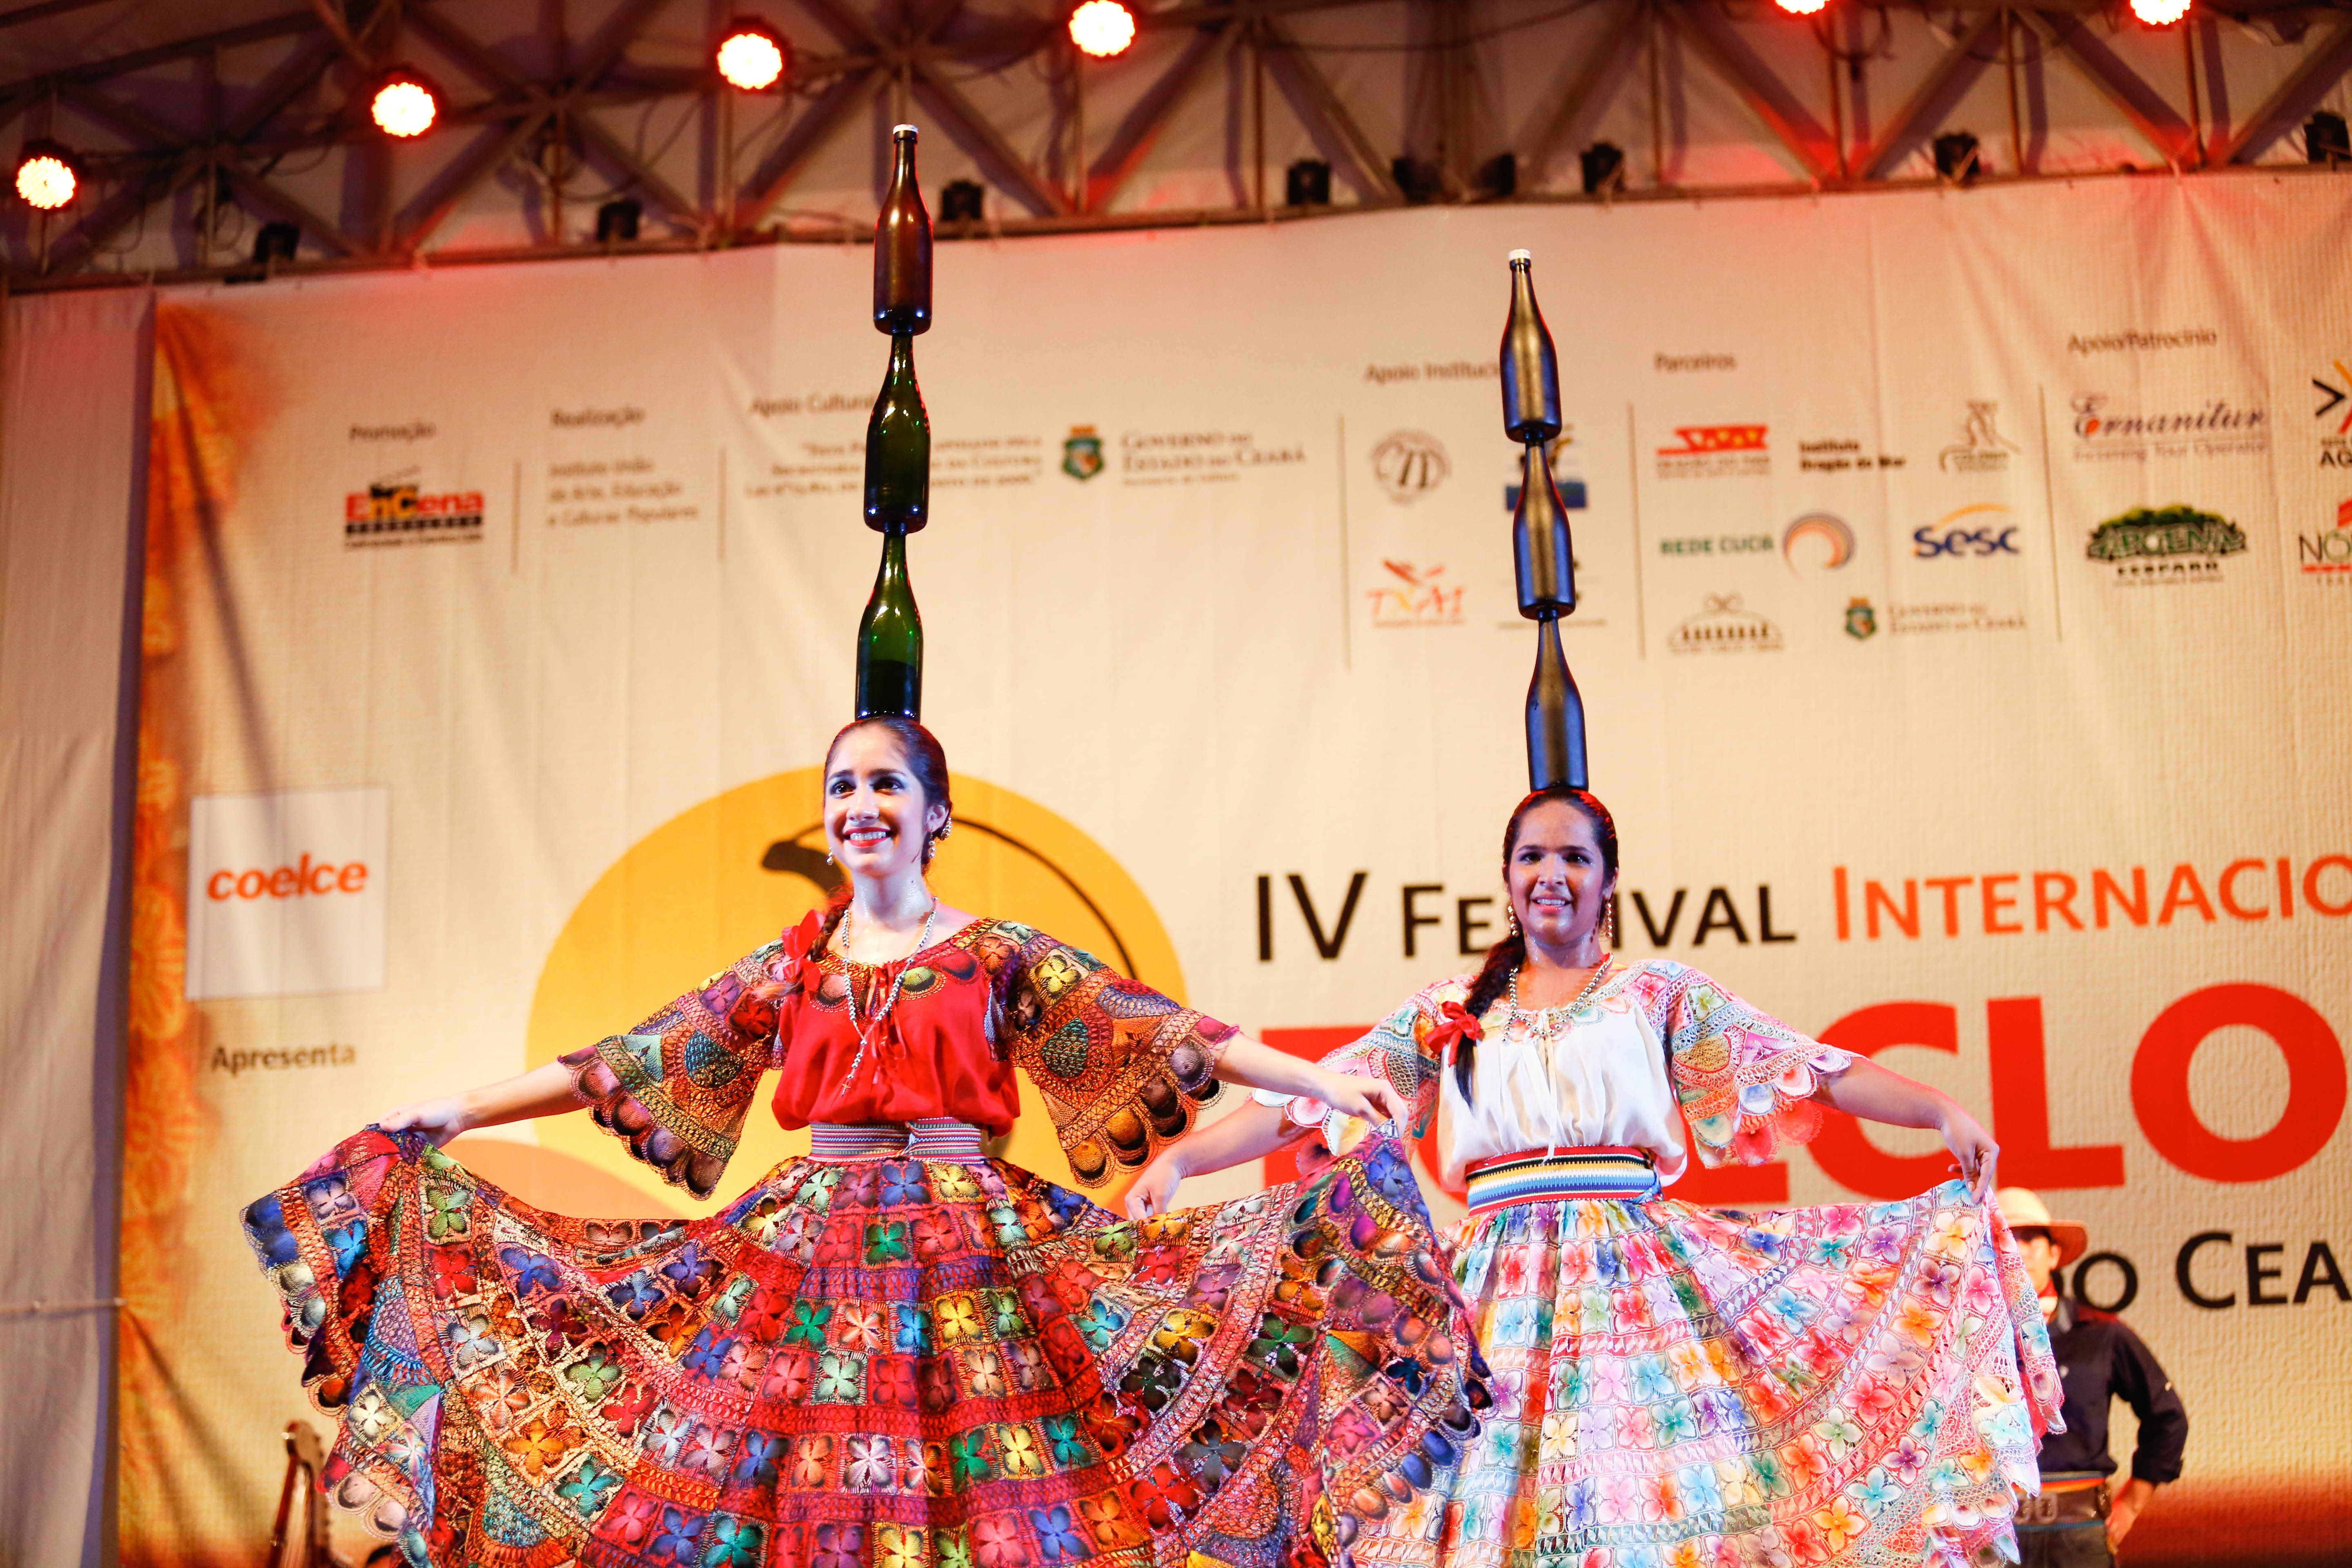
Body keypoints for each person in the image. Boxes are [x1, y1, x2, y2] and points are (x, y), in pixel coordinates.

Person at [244, 716, 1481, 1568]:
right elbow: (625, 1059)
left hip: (969, 1253)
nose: (861, 805)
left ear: (935, 814)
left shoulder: (996, 953)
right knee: (779, 1501)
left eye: (886, 785)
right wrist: (462, 1109)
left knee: (987, 1506)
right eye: (842, 788)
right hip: (812, 1249)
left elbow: (1174, 1032)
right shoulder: (793, 963)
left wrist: (1319, 1076)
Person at [1127, 786, 2064, 1568]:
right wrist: (1181, 1157)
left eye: (1574, 857)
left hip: (1632, 1284)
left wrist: (1937, 1109)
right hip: (1489, 1294)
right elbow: (1311, 1099)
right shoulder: (1450, 1011)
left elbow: (1810, 1068)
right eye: (1532, 856)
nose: (1552, 874)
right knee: (1483, 1519)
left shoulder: (1656, 994)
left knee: (1641, 1511)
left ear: (1608, 879)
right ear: (1506, 877)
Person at [1995, 1189, 2186, 1566]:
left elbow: (2168, 1417)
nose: (2018, 1250)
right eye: (2004, 1239)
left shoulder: (2102, 1334)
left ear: (2054, 1254)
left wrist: (2134, 1502)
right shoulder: (1961, 1342)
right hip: (1992, 1536)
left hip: (2079, 1535)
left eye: (2031, 1239)